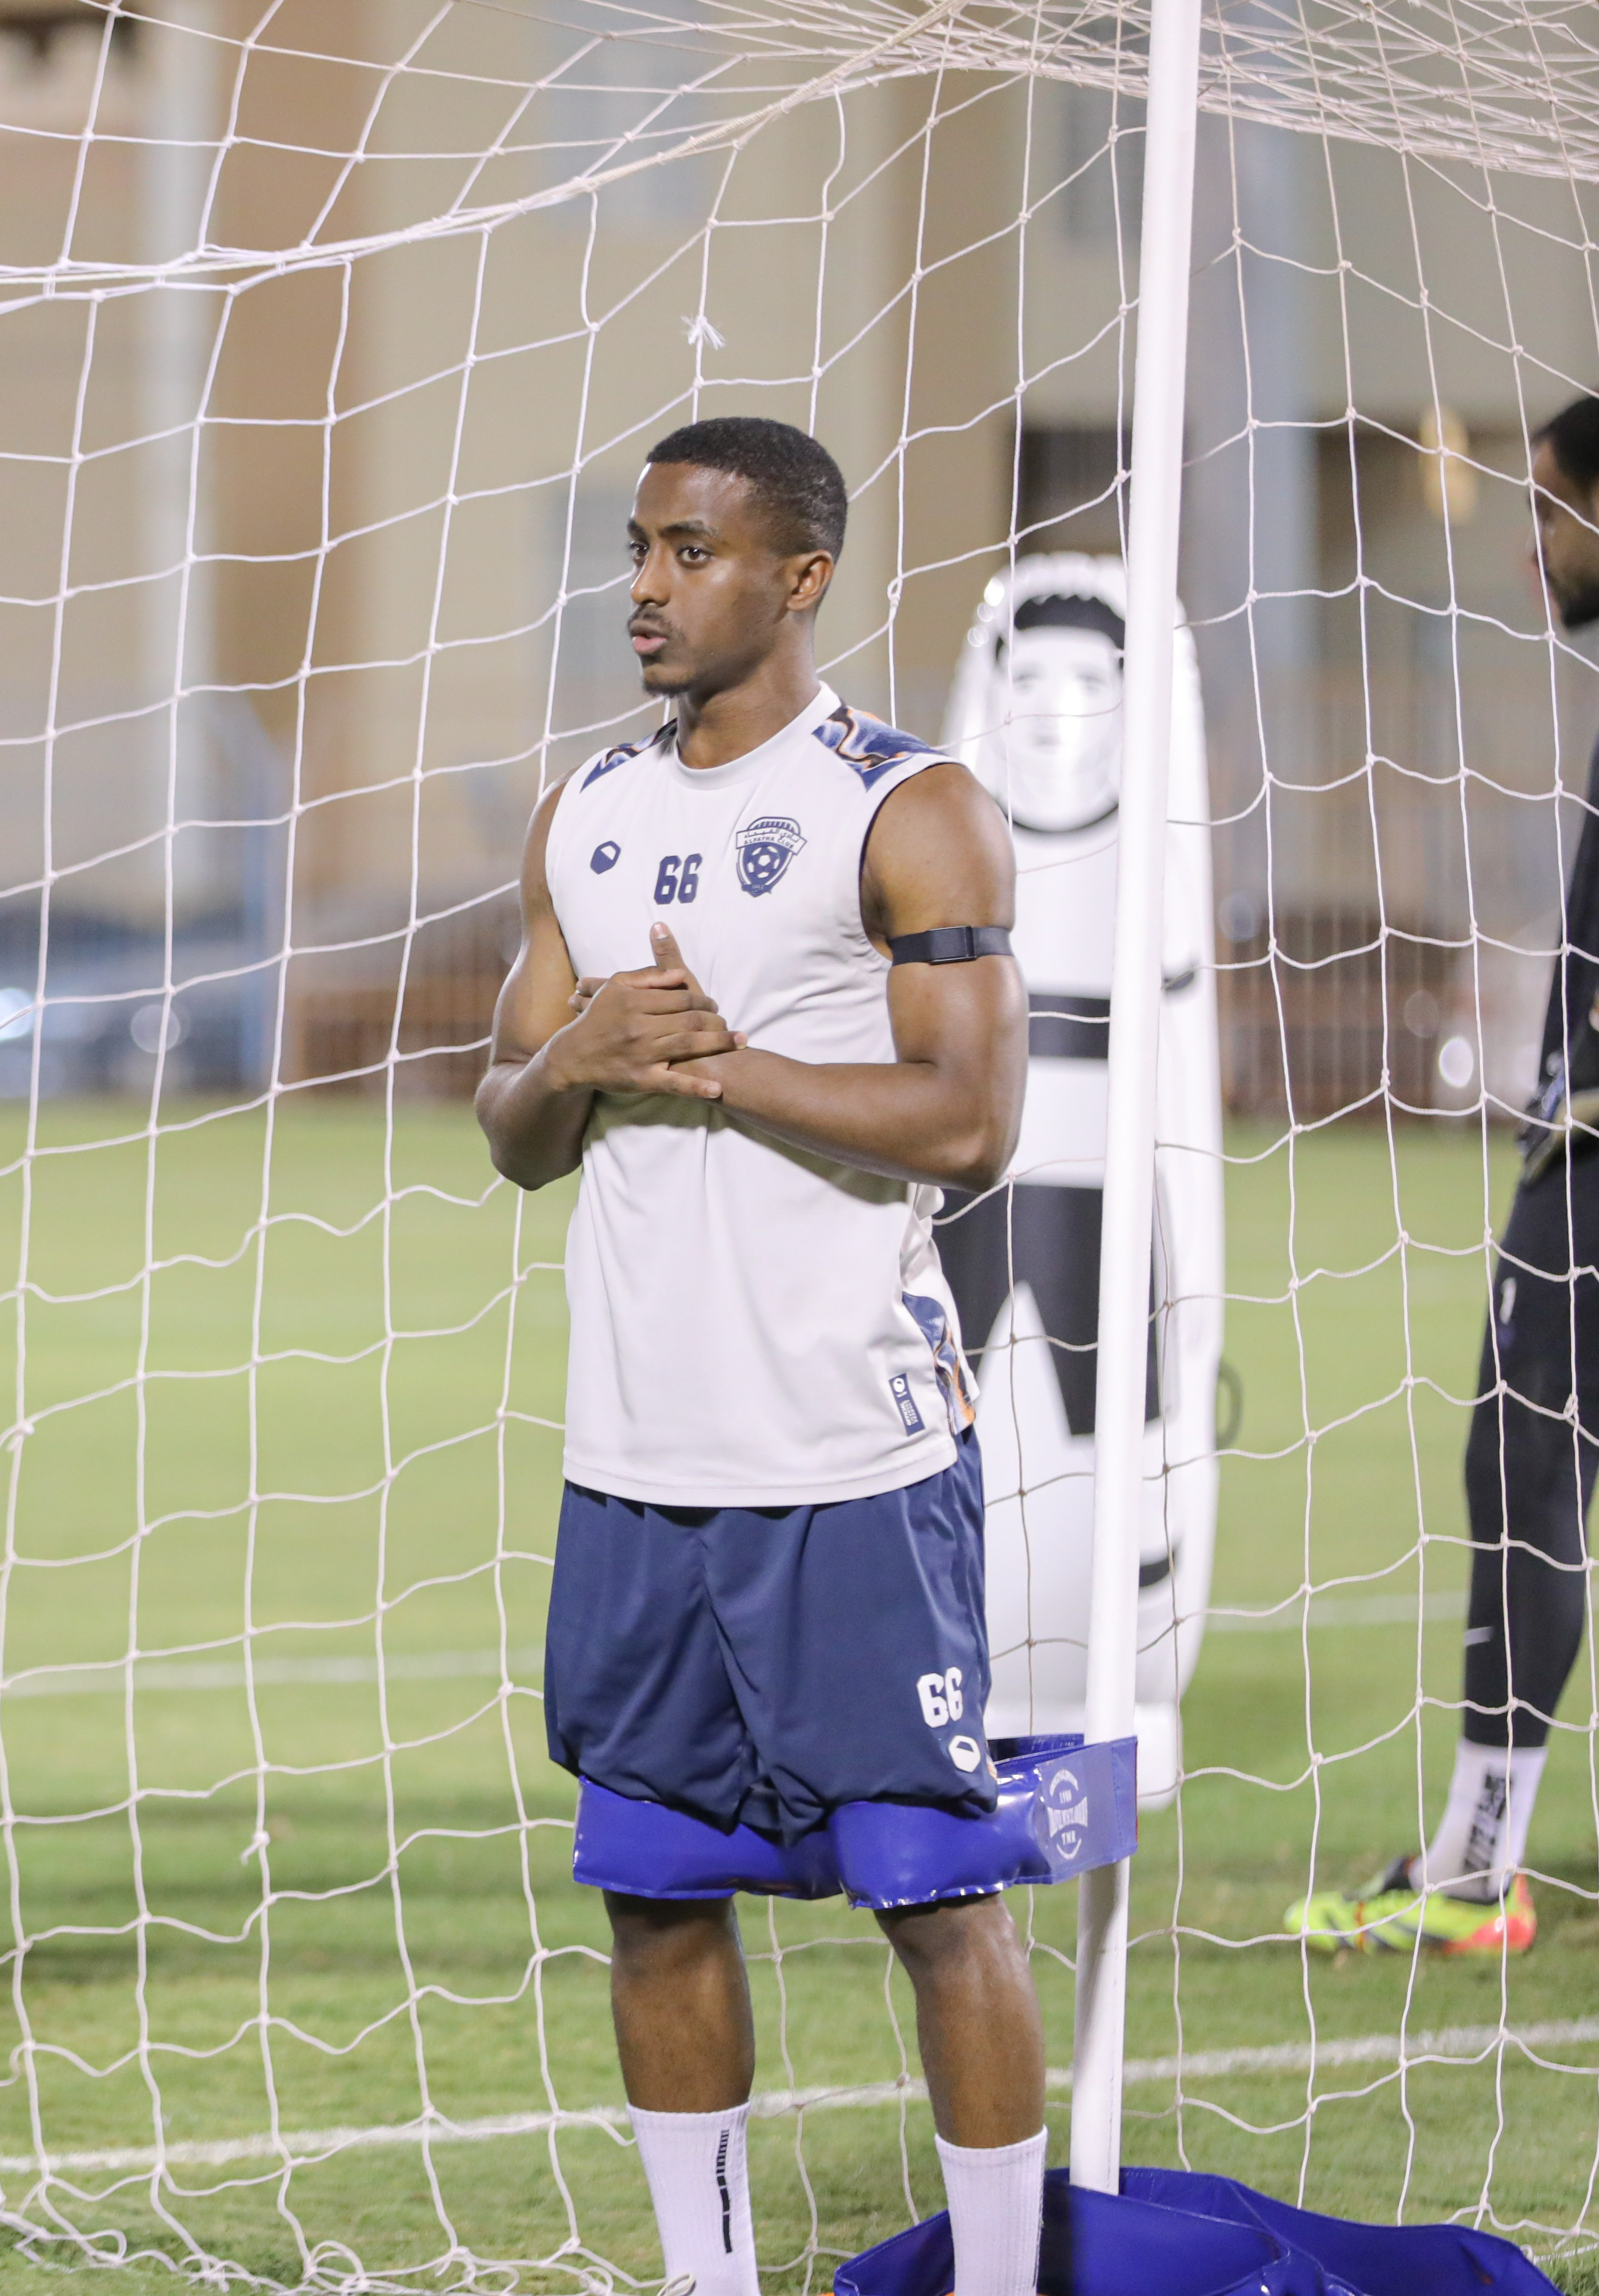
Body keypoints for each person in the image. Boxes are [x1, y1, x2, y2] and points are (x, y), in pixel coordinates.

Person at [477, 416, 1040, 2296]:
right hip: (636, 1465)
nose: (644, 585)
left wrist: (709, 1063)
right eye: (638, 546)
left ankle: (990, 2281)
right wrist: (573, 1057)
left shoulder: (912, 803)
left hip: (846, 1470)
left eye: (688, 550)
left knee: (936, 1904)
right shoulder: (584, 811)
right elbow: (512, 1123)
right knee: (651, 1905)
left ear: (797, 577)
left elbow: (966, 1123)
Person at [1288, 392, 1599, 1959]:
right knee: (1520, 1471)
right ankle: (1472, 1857)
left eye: (1549, 510)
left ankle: (1477, 1872)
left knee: (1521, 1468)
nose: (1530, 548)